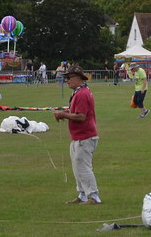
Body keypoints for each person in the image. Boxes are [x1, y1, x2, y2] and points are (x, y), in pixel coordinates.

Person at [53, 66, 101, 205]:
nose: (66, 80)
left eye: (69, 77)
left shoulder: (81, 94)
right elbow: (75, 112)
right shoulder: (78, 92)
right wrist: (64, 113)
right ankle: (82, 195)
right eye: (65, 78)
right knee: (77, 167)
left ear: (79, 78)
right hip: (78, 136)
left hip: (85, 136)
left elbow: (81, 116)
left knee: (83, 167)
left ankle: (94, 197)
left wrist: (63, 114)